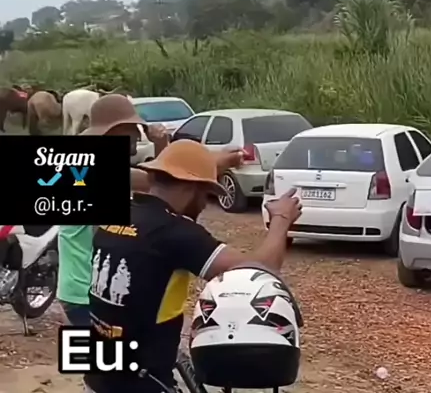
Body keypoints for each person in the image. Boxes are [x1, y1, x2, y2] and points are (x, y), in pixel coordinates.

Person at [85, 139, 301, 393]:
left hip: (99, 374)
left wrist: (209, 164)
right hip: (141, 384)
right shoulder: (174, 232)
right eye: (206, 195)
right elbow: (260, 271)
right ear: (192, 188)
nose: (204, 205)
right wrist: (281, 219)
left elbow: (171, 178)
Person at [58, 94, 243, 327]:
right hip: (86, 290)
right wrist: (216, 162)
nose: (138, 136)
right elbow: (166, 182)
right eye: (133, 129)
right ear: (116, 132)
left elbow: (163, 183)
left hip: (87, 286)